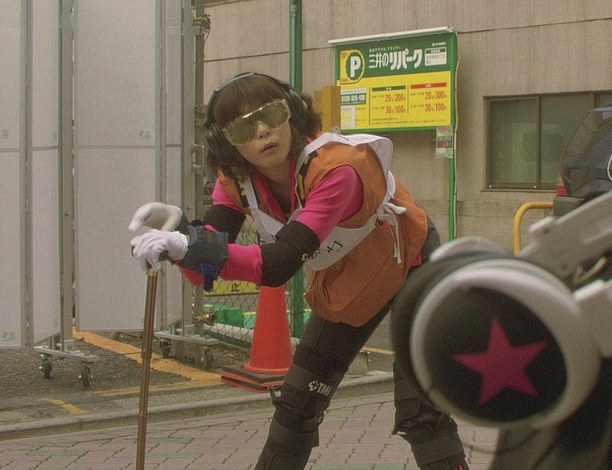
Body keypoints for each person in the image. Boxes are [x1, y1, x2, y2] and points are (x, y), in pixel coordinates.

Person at [129, 72, 470, 470]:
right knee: (296, 406)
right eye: (243, 127)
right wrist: (177, 238)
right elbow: (206, 268)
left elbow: (279, 263)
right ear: (226, 143)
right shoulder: (236, 181)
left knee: (422, 414)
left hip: (411, 264)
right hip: (350, 278)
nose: (262, 131)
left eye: (271, 114)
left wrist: (190, 246)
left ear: (291, 112)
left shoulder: (338, 168)